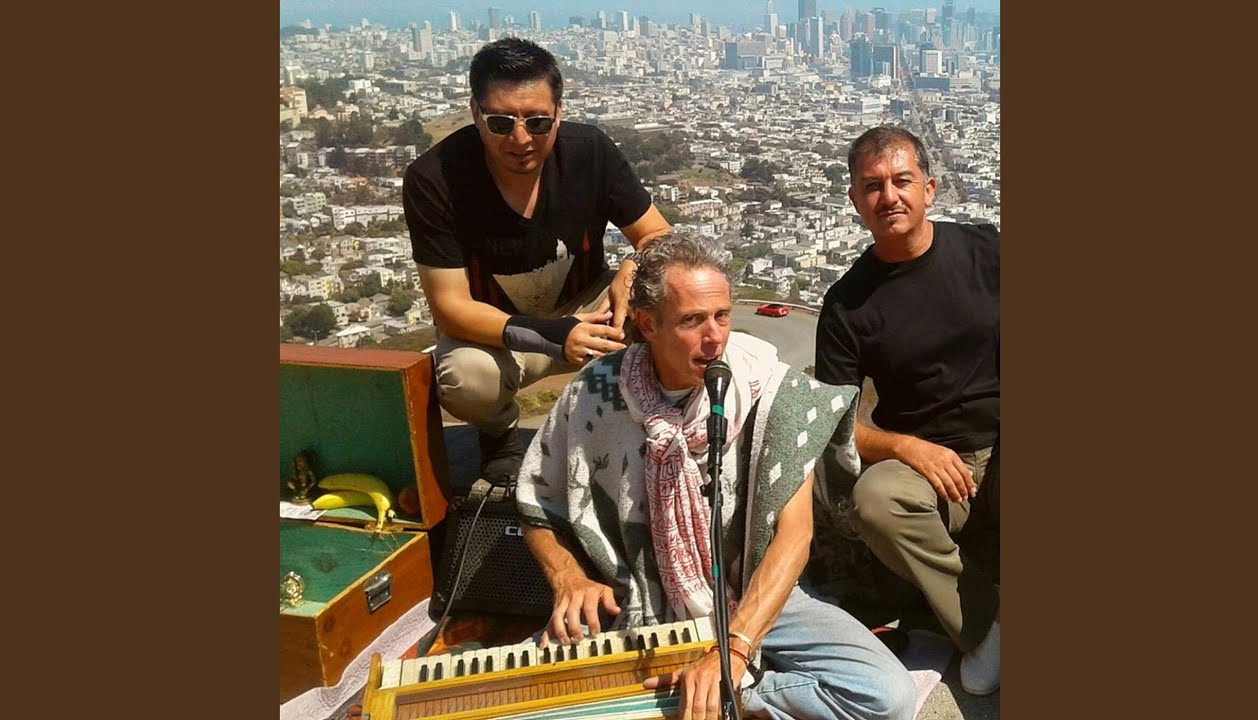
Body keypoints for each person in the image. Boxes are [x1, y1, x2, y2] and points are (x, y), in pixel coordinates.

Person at [515, 233, 917, 720]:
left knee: (886, 697)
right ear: (647, 323)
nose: (714, 337)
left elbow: (794, 535)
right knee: (524, 698)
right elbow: (539, 502)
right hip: (635, 595)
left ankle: (731, 695)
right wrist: (567, 577)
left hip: (757, 591)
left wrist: (735, 651)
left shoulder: (771, 393)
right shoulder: (594, 398)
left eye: (722, 316)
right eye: (692, 321)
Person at [403, 37, 671, 484]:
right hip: (499, 332)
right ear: (475, 114)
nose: (521, 138)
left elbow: (658, 235)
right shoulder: (435, 179)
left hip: (593, 309)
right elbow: (449, 307)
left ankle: (647, 420)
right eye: (501, 122)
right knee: (466, 377)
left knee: (673, 299)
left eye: (538, 121)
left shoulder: (590, 152)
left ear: (559, 114)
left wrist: (632, 268)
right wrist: (555, 334)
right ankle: (498, 433)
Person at [815, 126, 1001, 695]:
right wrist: (905, 446)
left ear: (930, 188)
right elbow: (833, 422)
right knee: (876, 500)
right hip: (930, 466)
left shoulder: (985, 252)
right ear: (855, 200)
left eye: (902, 181)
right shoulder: (848, 304)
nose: (889, 196)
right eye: (872, 186)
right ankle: (984, 626)